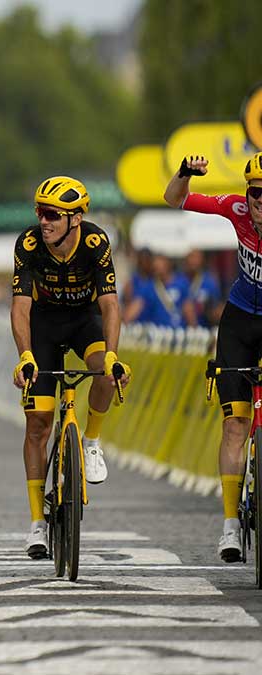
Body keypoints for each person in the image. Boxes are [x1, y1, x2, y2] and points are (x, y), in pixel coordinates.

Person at [10, 176, 131, 560]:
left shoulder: (95, 243)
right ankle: (36, 524)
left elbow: (111, 305)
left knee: (106, 374)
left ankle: (91, 442)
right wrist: (25, 355)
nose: (42, 222)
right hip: (44, 327)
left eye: (51, 215)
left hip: (83, 322)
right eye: (39, 213)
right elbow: (21, 307)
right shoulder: (29, 244)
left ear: (76, 219)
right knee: (38, 425)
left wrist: (112, 356)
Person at [164, 152, 262, 561]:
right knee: (235, 425)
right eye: (257, 192)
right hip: (239, 321)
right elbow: (176, 199)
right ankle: (230, 526)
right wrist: (185, 173)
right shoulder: (236, 209)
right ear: (247, 193)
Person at [124, 254, 190, 328]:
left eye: (160, 266)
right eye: (155, 267)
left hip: (179, 331)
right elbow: (136, 306)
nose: (157, 269)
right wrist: (124, 321)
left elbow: (188, 308)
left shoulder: (181, 283)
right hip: (158, 333)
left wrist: (193, 329)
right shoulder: (149, 287)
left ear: (168, 265)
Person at [182, 249, 223, 327]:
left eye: (197, 258)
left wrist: (214, 313)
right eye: (191, 257)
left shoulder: (209, 281)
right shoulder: (178, 280)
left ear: (202, 260)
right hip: (181, 330)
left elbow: (216, 306)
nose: (193, 261)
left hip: (203, 329)